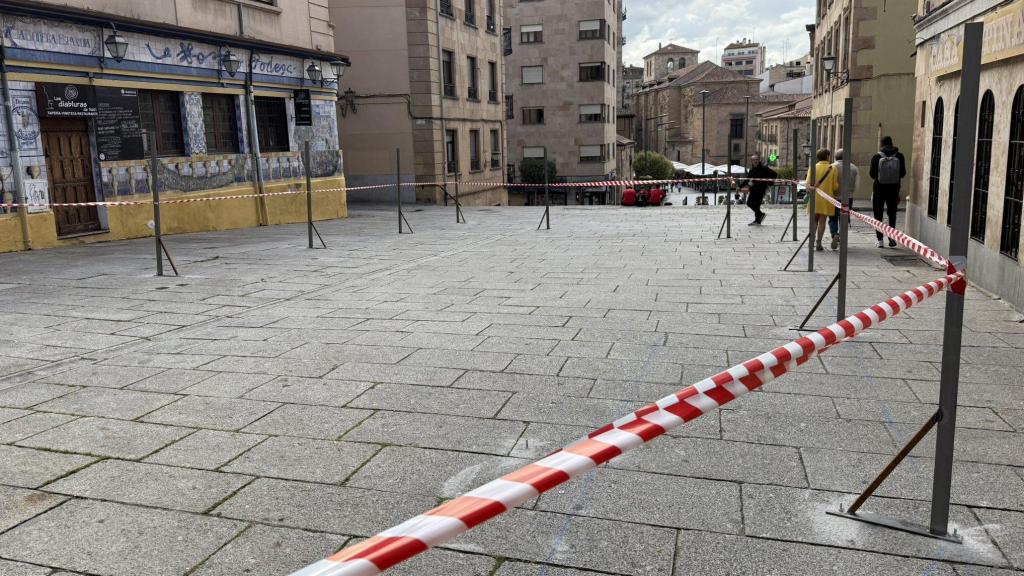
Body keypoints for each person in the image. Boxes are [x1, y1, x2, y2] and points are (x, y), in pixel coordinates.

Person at [869, 136, 907, 248]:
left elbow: (872, 174)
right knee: (892, 214)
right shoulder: (900, 156)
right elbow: (903, 173)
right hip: (894, 189)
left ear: (882, 144)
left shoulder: (877, 156)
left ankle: (880, 240)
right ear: (892, 143)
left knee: (878, 214)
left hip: (879, 189)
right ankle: (891, 237)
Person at [806, 149, 840, 251]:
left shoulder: (813, 167)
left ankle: (810, 242)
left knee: (813, 221)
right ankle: (818, 243)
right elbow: (835, 186)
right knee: (822, 222)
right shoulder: (832, 168)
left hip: (814, 198)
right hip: (826, 198)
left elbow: (808, 184)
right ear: (828, 156)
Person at [829, 148, 860, 250]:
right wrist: (851, 193)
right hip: (848, 197)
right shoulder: (854, 168)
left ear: (835, 157)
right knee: (844, 218)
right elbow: (857, 185)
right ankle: (841, 235)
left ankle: (834, 235)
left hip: (834, 197)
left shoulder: (832, 167)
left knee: (832, 218)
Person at [740, 155, 778, 225]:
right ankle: (758, 218)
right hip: (753, 189)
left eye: (757, 159)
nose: (755, 161)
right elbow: (747, 180)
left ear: (759, 160)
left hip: (760, 190)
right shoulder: (751, 170)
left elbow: (774, 174)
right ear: (751, 161)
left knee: (754, 204)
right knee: (750, 203)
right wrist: (740, 186)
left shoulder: (764, 168)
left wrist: (769, 182)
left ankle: (759, 218)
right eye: (754, 160)